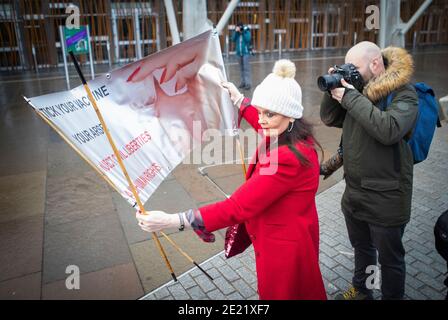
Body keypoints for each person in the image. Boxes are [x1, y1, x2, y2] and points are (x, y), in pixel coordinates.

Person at [137, 59, 327, 300]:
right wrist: (240, 100)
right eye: (259, 112)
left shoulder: (286, 159)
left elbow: (237, 207)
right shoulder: (295, 135)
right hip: (296, 235)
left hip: (283, 250)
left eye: (269, 113)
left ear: (290, 115)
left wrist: (172, 221)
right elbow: (265, 125)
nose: (261, 120)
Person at [320, 41, 418, 300]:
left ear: (375, 64)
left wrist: (350, 96)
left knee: (391, 261)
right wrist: (333, 87)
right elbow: (329, 119)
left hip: (387, 198)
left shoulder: (404, 93)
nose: (351, 71)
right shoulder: (357, 92)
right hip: (355, 195)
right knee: (363, 249)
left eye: (355, 67)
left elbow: (389, 129)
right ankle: (363, 290)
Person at [232, 22, 252, 90]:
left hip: (245, 53)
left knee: (246, 69)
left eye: (240, 27)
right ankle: (243, 82)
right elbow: (233, 39)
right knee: (241, 69)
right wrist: (236, 32)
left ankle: (248, 84)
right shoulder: (237, 33)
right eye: (238, 27)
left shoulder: (246, 31)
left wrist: (243, 32)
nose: (239, 28)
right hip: (238, 53)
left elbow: (248, 39)